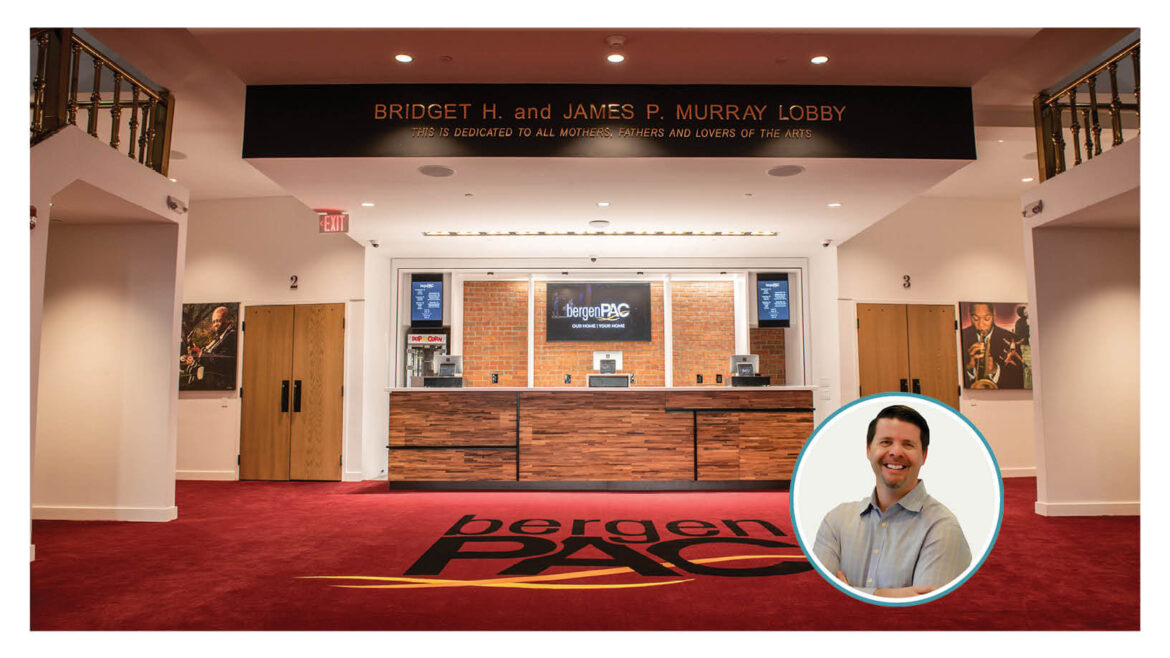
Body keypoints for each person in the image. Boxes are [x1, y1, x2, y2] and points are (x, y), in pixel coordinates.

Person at [813, 405, 971, 598]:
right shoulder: (836, 520)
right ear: (868, 449)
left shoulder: (943, 528)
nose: (896, 452)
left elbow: (925, 614)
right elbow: (817, 596)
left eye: (908, 444)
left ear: (924, 456)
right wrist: (885, 594)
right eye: (886, 442)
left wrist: (849, 591)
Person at [961, 302, 1024, 389]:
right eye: (975, 319)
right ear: (970, 317)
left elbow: (1018, 379)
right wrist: (969, 369)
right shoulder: (961, 336)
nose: (981, 325)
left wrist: (996, 370)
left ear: (994, 315)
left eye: (986, 319)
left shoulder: (1010, 338)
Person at [180, 306, 238, 389]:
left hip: (217, 383)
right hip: (207, 379)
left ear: (227, 320)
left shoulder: (231, 336)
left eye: (218, 321)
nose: (215, 325)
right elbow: (209, 354)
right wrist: (193, 357)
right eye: (213, 322)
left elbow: (221, 361)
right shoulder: (220, 336)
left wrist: (200, 354)